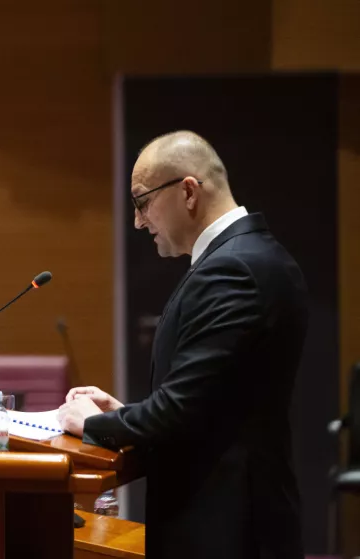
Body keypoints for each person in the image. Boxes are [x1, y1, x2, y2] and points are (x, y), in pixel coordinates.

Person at [56, 131, 308, 558]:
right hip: (239, 516)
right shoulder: (256, 256)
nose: (138, 221)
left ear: (188, 191)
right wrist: (125, 414)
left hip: (226, 527)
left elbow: (180, 412)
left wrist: (91, 424)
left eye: (142, 201)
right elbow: (210, 405)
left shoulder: (233, 270)